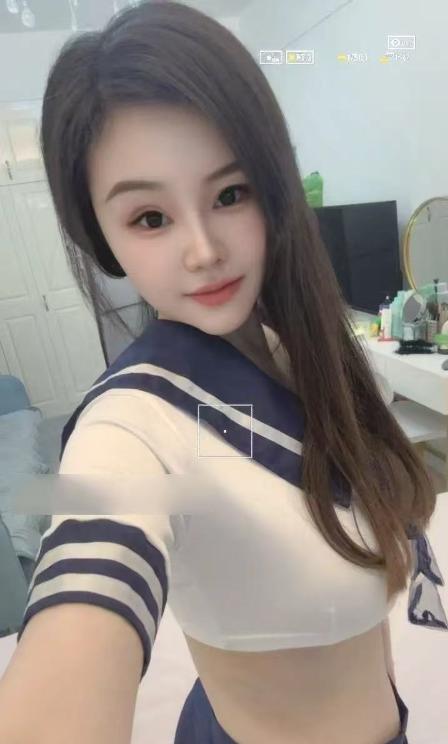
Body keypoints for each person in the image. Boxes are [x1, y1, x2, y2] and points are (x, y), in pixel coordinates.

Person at [0, 2, 446, 743]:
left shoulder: (306, 347)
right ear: (103, 238)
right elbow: (88, 579)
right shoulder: (130, 426)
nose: (203, 250)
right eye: (150, 218)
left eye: (230, 194)